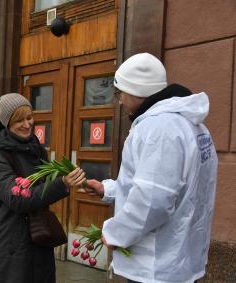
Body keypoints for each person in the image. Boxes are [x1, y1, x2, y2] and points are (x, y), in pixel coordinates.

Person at [85, 53, 218, 283]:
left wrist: (115, 233)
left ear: (136, 91)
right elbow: (168, 187)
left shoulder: (158, 129)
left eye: (120, 93)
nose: (119, 101)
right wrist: (108, 190)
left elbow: (153, 200)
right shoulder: (193, 126)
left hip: (156, 267)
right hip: (180, 259)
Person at [0, 93, 86, 283]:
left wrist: (73, 180)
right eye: (19, 120)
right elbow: (18, 199)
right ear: (7, 123)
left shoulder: (37, 150)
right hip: (10, 246)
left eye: (29, 118)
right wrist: (61, 184)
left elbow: (43, 192)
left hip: (38, 239)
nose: (26, 124)